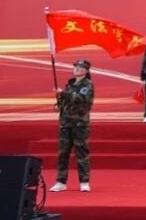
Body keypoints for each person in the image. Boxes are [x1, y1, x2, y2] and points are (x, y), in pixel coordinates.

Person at [49, 59, 94, 192]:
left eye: (81, 68)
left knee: (81, 153)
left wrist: (62, 93)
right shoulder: (70, 84)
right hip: (66, 123)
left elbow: (80, 99)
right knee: (63, 154)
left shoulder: (88, 85)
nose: (77, 69)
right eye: (75, 67)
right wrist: (58, 105)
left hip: (79, 124)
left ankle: (84, 181)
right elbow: (66, 101)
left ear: (86, 71)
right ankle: (61, 181)